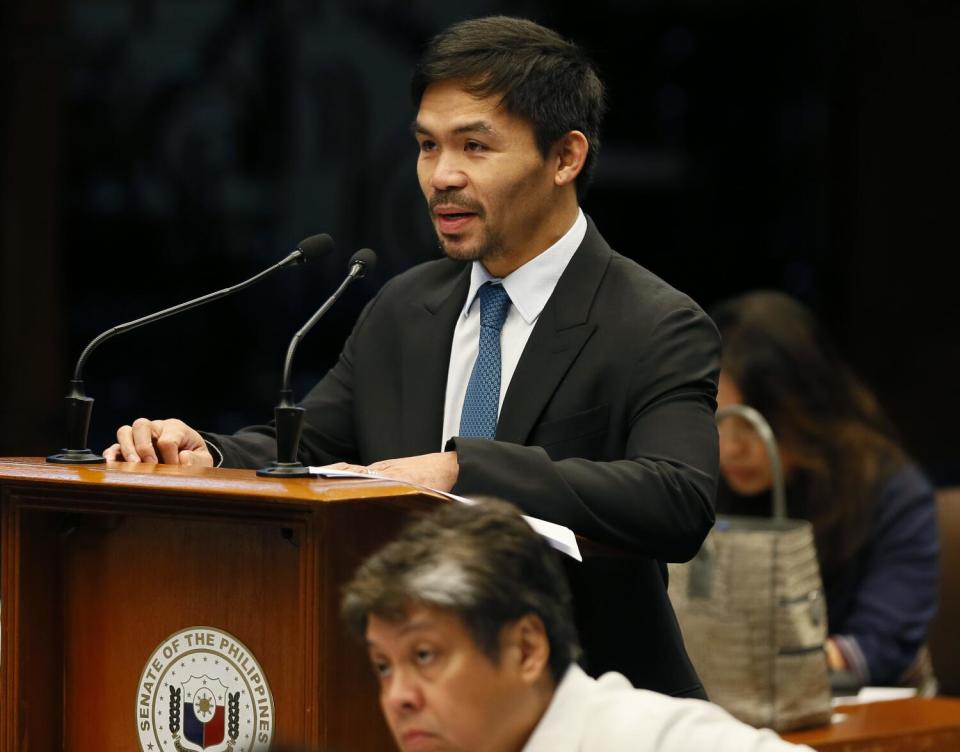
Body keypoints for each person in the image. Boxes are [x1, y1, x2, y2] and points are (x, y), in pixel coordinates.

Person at [104, 16, 722, 697]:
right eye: (428, 146)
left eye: (475, 147)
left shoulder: (654, 321)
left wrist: (465, 471)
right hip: (409, 703)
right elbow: (314, 447)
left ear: (565, 157)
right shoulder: (407, 307)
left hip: (592, 705)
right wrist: (209, 458)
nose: (442, 176)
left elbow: (677, 498)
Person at [341, 498, 812, 752]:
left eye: (424, 655)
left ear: (526, 650)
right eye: (383, 666)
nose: (398, 697)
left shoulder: (649, 739)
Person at [710, 290, 939, 688]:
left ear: (804, 405)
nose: (731, 448)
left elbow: (880, 646)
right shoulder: (704, 487)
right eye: (718, 421)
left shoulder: (890, 493)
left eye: (751, 423)